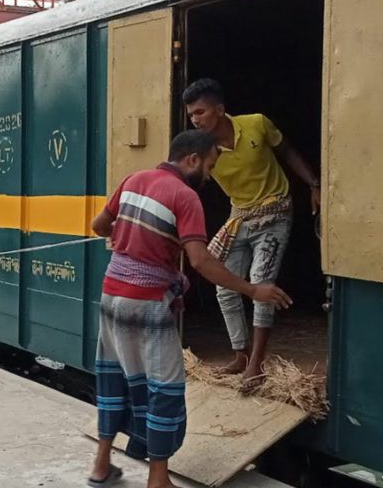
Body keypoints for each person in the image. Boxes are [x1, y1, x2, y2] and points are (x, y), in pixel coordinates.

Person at [86, 130, 291, 488]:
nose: (209, 176)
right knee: (164, 389)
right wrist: (251, 289)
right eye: (210, 166)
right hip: (149, 302)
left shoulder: (133, 180)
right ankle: (158, 479)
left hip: (111, 296)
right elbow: (200, 260)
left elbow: (99, 226)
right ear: (192, 159)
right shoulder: (185, 196)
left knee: (113, 378)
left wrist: (129, 231)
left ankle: (101, 466)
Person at [182, 78, 320, 391]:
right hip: (239, 217)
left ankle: (257, 364)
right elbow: (188, 184)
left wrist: (314, 184)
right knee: (224, 286)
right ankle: (241, 355)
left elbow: (287, 151)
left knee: (260, 282)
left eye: (200, 112)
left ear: (219, 110)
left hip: (275, 213)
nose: (194, 119)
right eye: (191, 115)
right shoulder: (200, 151)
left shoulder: (257, 124)